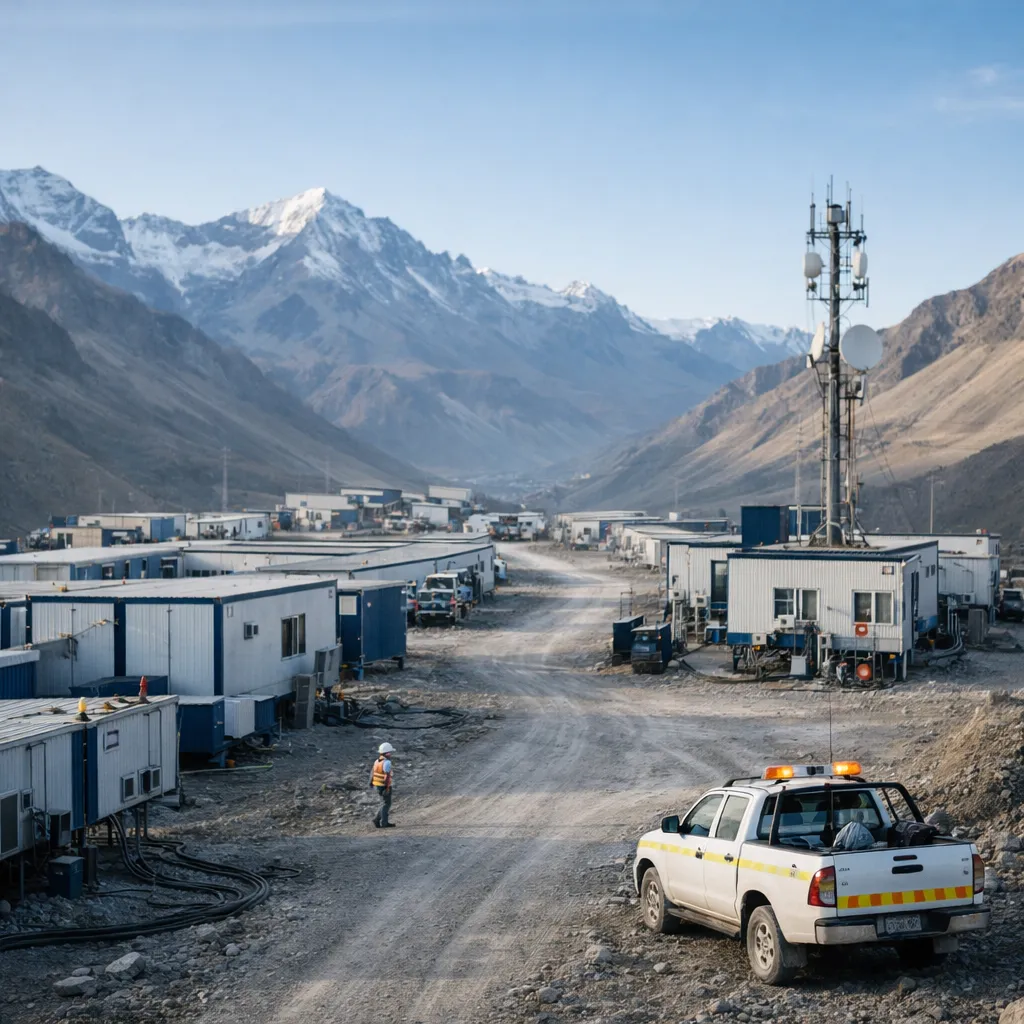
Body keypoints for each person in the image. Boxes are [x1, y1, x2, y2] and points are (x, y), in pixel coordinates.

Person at [371, 741, 395, 828]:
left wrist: (371, 783)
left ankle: (377, 819)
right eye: (390, 753)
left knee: (384, 803)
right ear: (387, 753)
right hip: (383, 785)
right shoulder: (387, 762)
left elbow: (373, 773)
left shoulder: (377, 761)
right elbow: (387, 776)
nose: (391, 754)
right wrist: (387, 787)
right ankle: (384, 822)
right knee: (386, 804)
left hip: (377, 785)